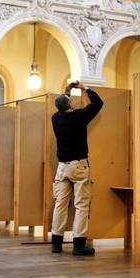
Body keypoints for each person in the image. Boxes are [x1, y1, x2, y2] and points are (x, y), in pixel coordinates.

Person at [51, 80, 103, 255]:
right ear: (71, 105)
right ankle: (78, 245)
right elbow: (98, 103)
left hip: (62, 168)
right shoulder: (79, 116)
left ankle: (56, 244)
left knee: (60, 204)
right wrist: (85, 88)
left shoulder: (55, 118)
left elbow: (62, 104)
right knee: (81, 205)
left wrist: (67, 91)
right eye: (71, 100)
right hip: (79, 166)